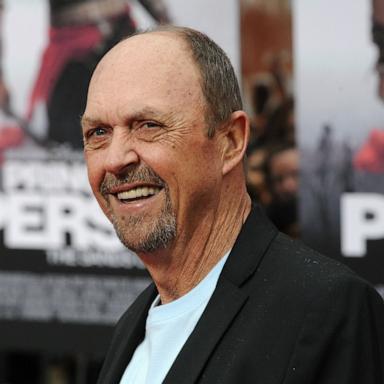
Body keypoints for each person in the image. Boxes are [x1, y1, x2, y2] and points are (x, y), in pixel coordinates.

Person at [81, 26, 384, 384]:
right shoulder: (133, 326)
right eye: (98, 133)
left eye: (148, 125)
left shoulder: (328, 311)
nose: (115, 159)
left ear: (231, 141)